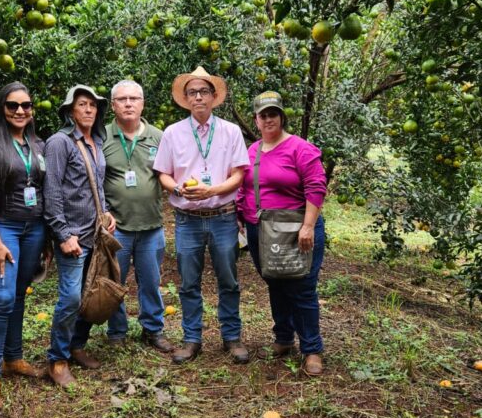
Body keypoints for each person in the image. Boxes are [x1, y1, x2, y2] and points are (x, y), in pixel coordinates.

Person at [153, 66, 251, 364]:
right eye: (192, 92)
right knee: (188, 282)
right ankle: (192, 339)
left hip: (223, 216)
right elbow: (163, 174)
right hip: (188, 220)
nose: (198, 97)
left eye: (203, 92)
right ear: (186, 99)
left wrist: (213, 190)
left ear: (213, 96)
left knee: (228, 280)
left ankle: (231, 337)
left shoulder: (231, 131)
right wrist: (179, 190)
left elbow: (239, 174)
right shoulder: (172, 133)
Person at [0, 82, 49, 408]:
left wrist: (47, 237)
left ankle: (13, 358)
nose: (20, 111)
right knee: (0, 299)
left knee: (18, 294)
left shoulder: (38, 145)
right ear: (2, 108)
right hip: (2, 227)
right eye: (12, 105)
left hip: (34, 229)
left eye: (26, 105)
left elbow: (43, 190)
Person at [236, 91, 327, 376]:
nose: (268, 119)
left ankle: (312, 348)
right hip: (261, 230)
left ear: (282, 117)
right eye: (263, 115)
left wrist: (308, 226)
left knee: (301, 286)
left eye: (273, 114)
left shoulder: (300, 149)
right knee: (275, 281)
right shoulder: (252, 151)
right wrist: (240, 215)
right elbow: (244, 187)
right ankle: (284, 338)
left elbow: (316, 187)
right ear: (256, 119)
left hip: (295, 228)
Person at [42, 84, 117, 388]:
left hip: (95, 233)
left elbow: (96, 186)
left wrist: (106, 212)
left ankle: (77, 346)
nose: (88, 109)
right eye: (82, 104)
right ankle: (57, 360)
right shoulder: (60, 143)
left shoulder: (95, 142)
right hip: (73, 237)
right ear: (70, 110)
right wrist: (62, 234)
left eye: (93, 105)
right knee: (71, 297)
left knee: (89, 294)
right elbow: (52, 191)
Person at [102, 80, 174, 352]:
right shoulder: (101, 136)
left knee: (151, 282)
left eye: (134, 98)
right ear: (113, 105)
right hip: (116, 228)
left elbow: (169, 173)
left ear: (143, 103)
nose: (128, 103)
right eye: (122, 99)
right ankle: (116, 332)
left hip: (151, 225)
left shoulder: (159, 136)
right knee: (114, 282)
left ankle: (153, 330)